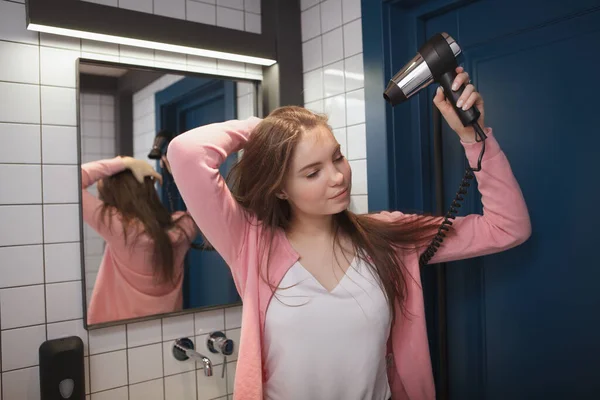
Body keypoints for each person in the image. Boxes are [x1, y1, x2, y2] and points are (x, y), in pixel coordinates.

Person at [167, 67, 531, 400]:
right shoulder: (250, 242)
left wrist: (473, 135)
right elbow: (185, 153)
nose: (338, 176)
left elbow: (507, 227)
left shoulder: (388, 236)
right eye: (312, 172)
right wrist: (269, 130)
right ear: (280, 189)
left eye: (337, 157)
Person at [82, 156, 197, 325]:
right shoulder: (183, 229)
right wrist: (183, 174)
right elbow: (204, 201)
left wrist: (124, 162)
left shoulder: (120, 227)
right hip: (165, 332)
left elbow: (70, 180)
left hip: (111, 334)